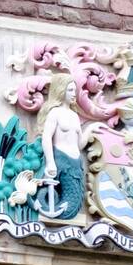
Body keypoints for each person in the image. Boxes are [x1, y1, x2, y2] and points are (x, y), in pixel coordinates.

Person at [38, 74, 93, 220]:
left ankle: (63, 211)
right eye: (70, 90)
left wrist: (92, 129)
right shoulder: (55, 113)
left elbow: (79, 144)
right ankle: (46, 204)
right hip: (61, 160)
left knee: (75, 198)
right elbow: (46, 137)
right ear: (61, 91)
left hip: (75, 163)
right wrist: (50, 162)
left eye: (74, 90)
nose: (74, 94)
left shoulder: (74, 116)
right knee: (67, 195)